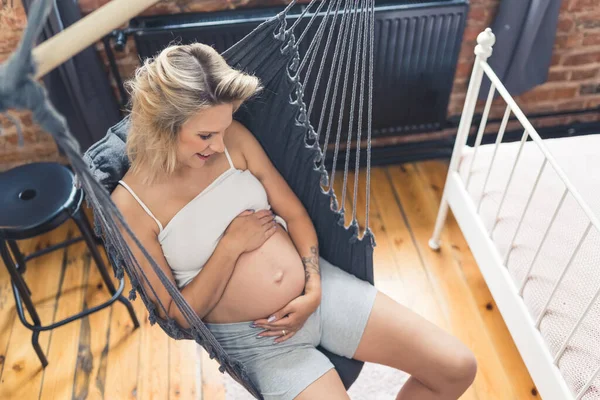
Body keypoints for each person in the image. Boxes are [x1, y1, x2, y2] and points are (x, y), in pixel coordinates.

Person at [111, 42, 477, 400]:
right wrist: (230, 246)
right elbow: (177, 315)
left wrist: (314, 285)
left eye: (223, 128)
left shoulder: (233, 138)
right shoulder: (131, 206)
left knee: (457, 367)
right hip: (261, 342)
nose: (219, 144)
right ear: (162, 125)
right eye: (206, 135)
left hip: (321, 295)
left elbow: (294, 213)